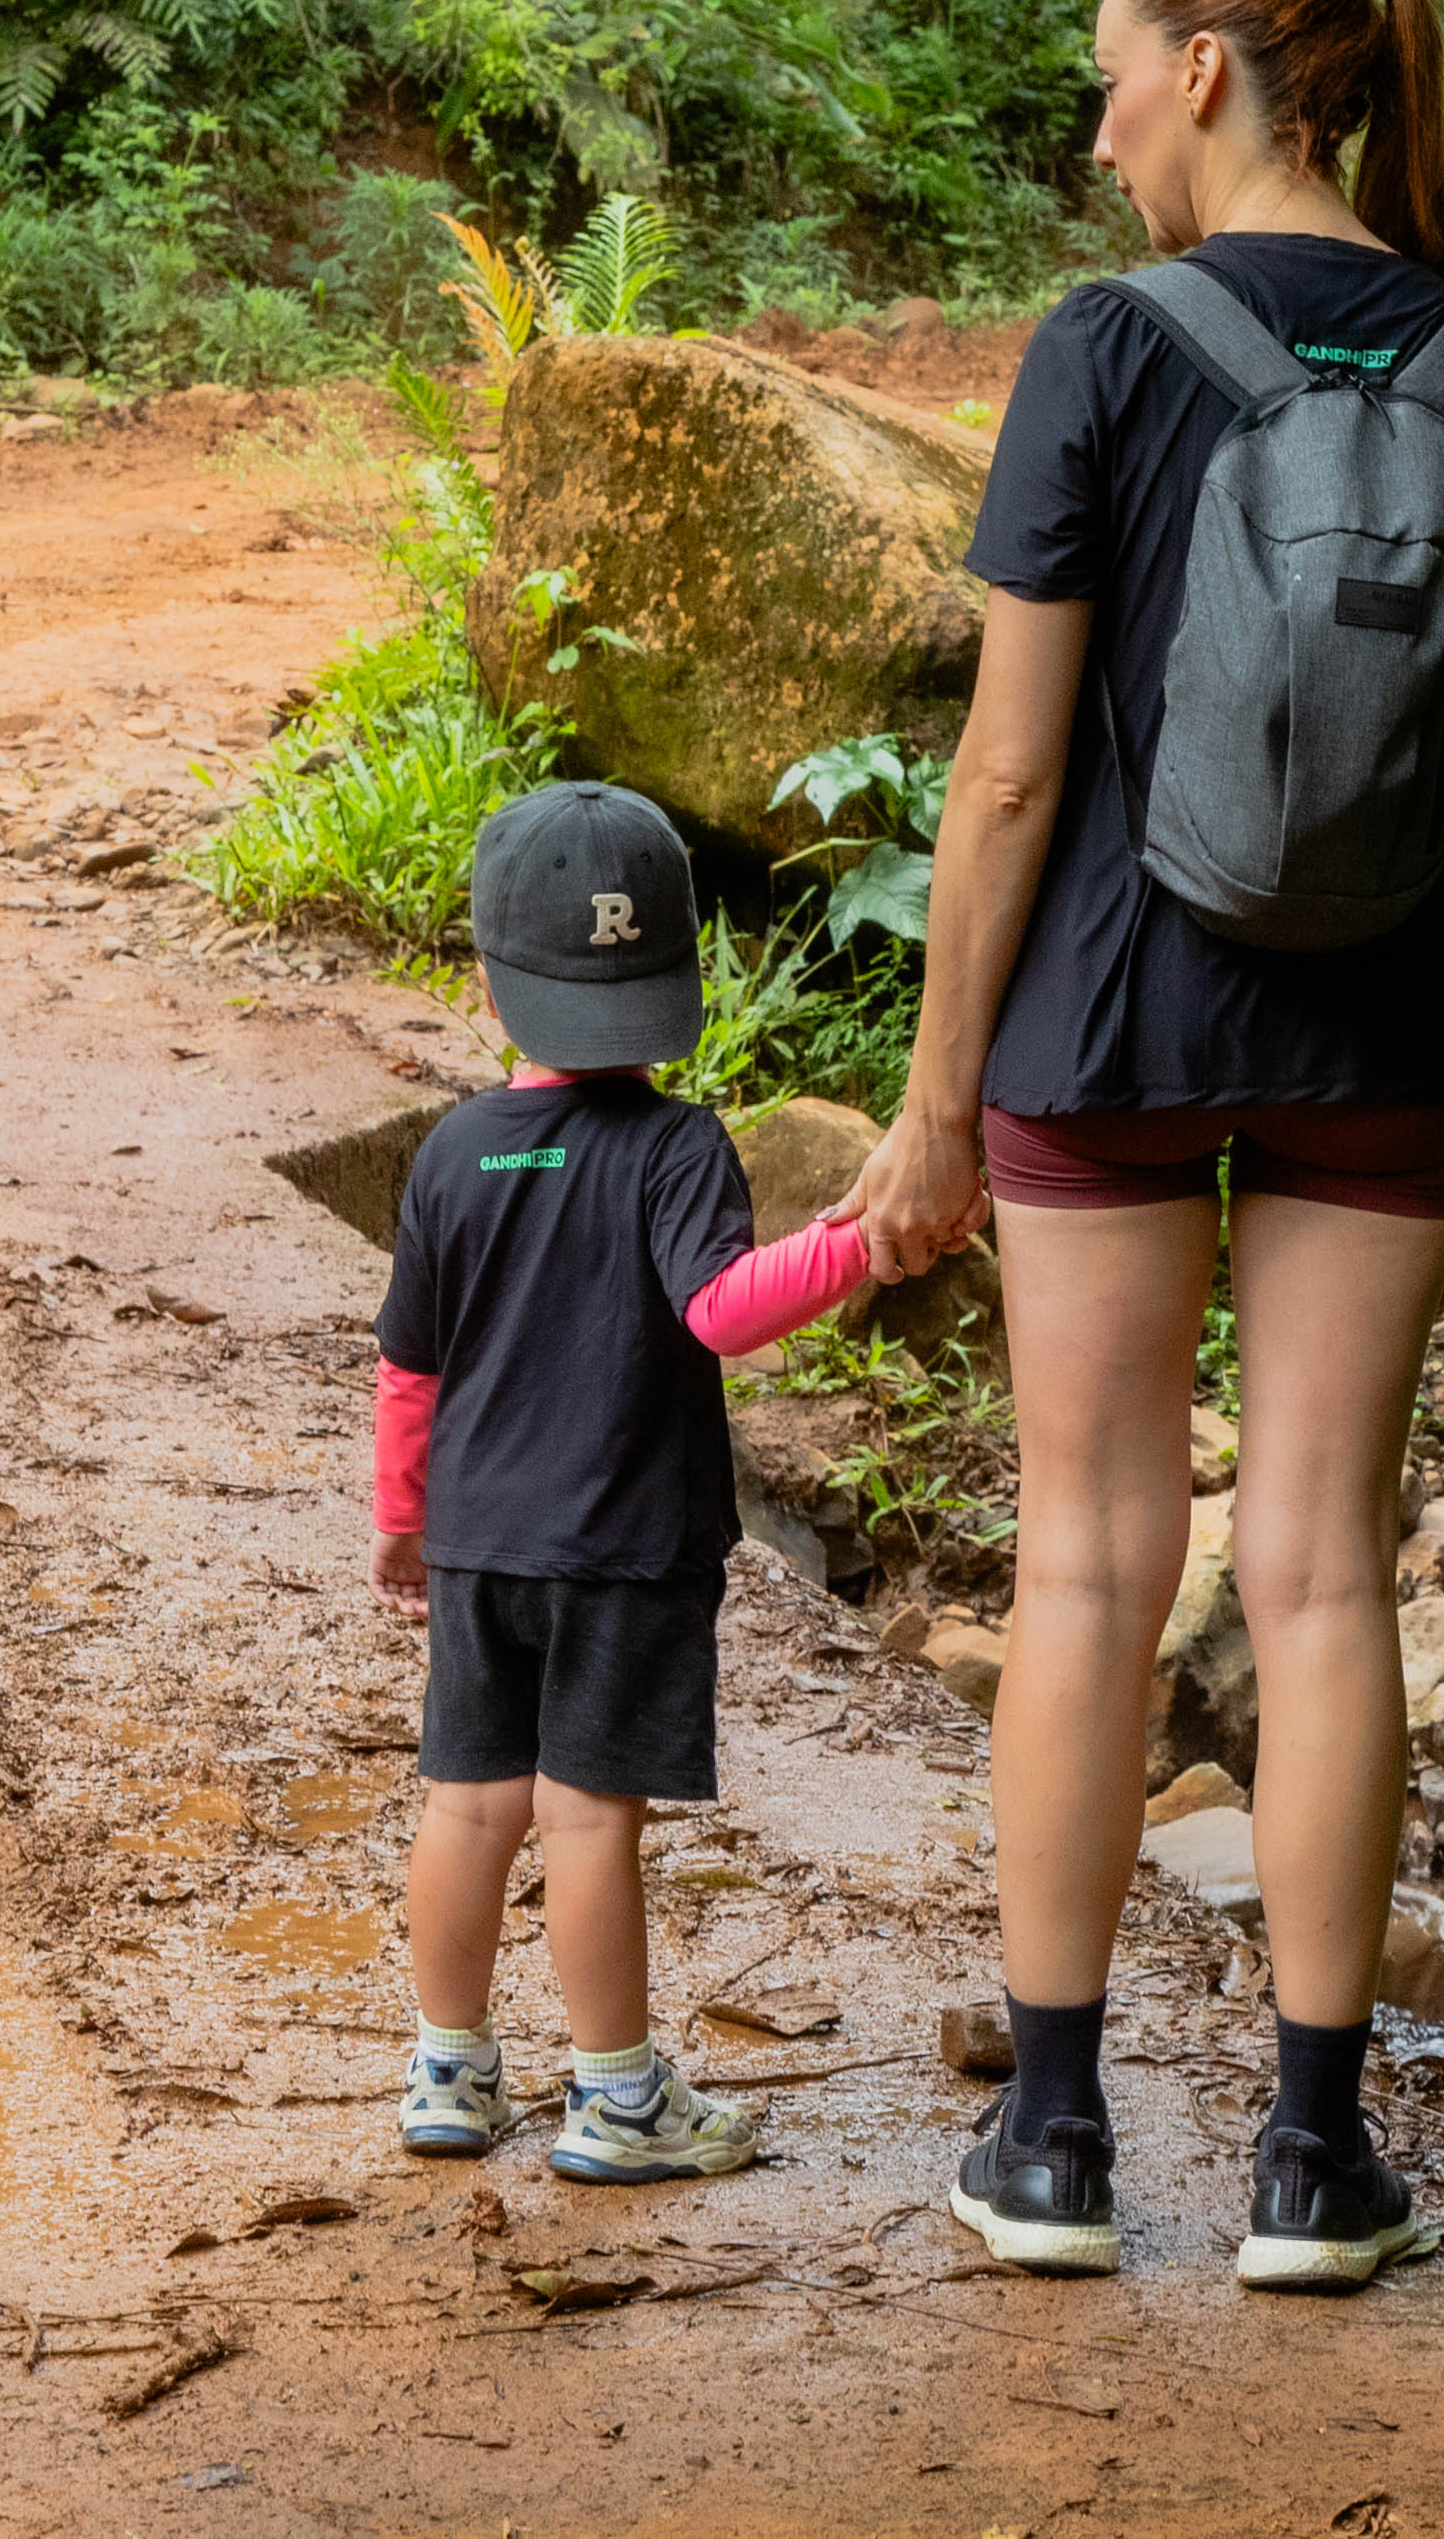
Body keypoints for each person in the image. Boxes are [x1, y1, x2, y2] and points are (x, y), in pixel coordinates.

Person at [851, 0, 1444, 2290]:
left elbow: (1005, 775)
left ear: (1203, 75)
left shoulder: (1106, 353)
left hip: (1106, 1027)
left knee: (1088, 1557)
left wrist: (939, 1092)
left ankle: (1052, 2148)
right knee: (1321, 1569)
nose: (1094, 139)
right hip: (1380, 1046)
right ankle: (1309, 2160)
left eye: (1106, 80)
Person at [368, 778, 874, 2182]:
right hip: (624, 1550)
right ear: (670, 980)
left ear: (488, 982)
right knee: (589, 1816)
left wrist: (402, 1521)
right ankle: (617, 2102)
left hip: (478, 1540)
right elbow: (722, 1312)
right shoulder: (673, 1146)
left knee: (468, 1801)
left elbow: (407, 1368)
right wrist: (855, 1243)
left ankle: (449, 2074)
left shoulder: (456, 1150)